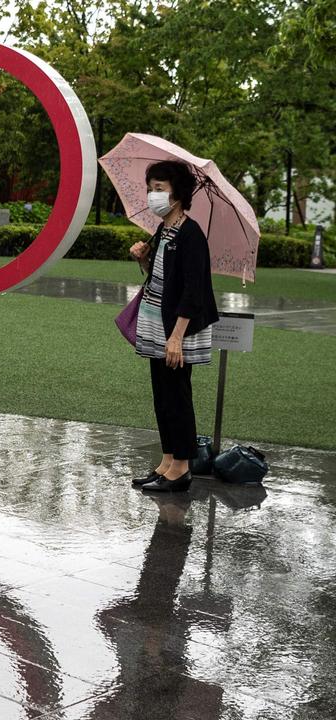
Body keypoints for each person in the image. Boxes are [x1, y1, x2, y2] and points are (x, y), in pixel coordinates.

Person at [128, 161, 219, 493]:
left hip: (179, 328)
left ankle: (181, 468)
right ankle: (167, 462)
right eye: (151, 188)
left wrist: (176, 338)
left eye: (160, 189)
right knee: (162, 395)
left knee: (177, 396)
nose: (153, 195)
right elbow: (163, 278)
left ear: (178, 193)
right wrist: (142, 258)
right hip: (158, 321)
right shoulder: (164, 229)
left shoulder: (191, 234)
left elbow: (194, 292)